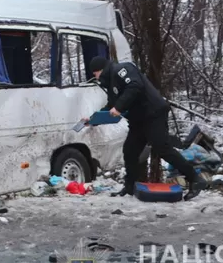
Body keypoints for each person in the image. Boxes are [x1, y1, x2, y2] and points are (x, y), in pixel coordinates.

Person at [87, 57, 207, 201]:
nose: (96, 77)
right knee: (130, 150)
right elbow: (112, 105)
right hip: (138, 119)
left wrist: (119, 107)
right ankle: (129, 187)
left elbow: (134, 86)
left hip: (153, 113)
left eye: (95, 73)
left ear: (101, 69)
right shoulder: (112, 84)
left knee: (162, 148)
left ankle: (195, 179)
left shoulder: (121, 69)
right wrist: (93, 119)